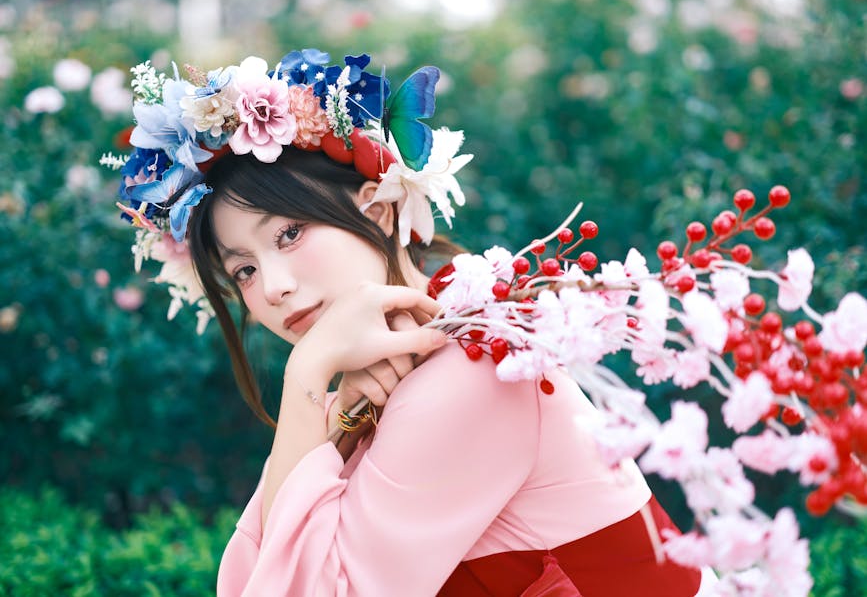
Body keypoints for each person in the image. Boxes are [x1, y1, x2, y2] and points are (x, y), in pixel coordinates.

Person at [112, 49, 711, 595]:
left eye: (289, 234)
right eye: (242, 272)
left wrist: (305, 376)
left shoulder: (474, 367)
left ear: (378, 203)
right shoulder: (372, 380)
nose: (273, 287)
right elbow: (254, 579)